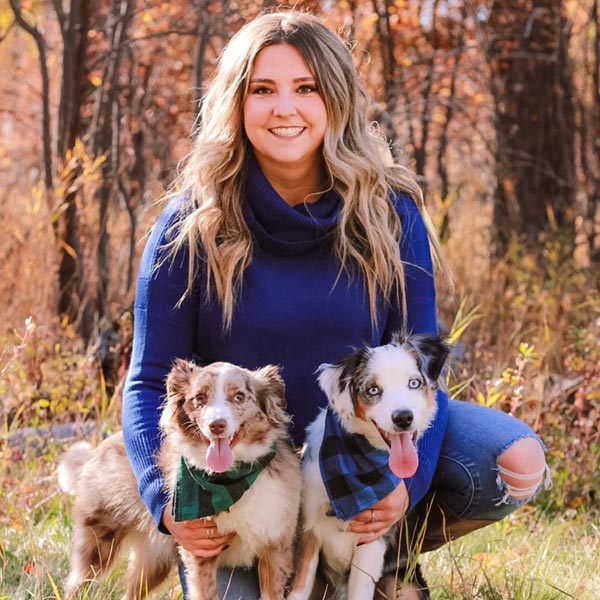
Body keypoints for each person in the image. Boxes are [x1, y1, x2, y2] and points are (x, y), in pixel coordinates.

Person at [122, 10, 551, 599]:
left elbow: (422, 373)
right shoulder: (189, 226)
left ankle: (359, 551)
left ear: (337, 99)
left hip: (355, 446)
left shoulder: (387, 209)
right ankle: (297, 563)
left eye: (307, 89)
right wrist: (163, 499)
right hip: (244, 470)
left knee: (515, 460)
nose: (285, 109)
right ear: (235, 103)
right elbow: (147, 381)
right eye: (263, 90)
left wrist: (408, 483)